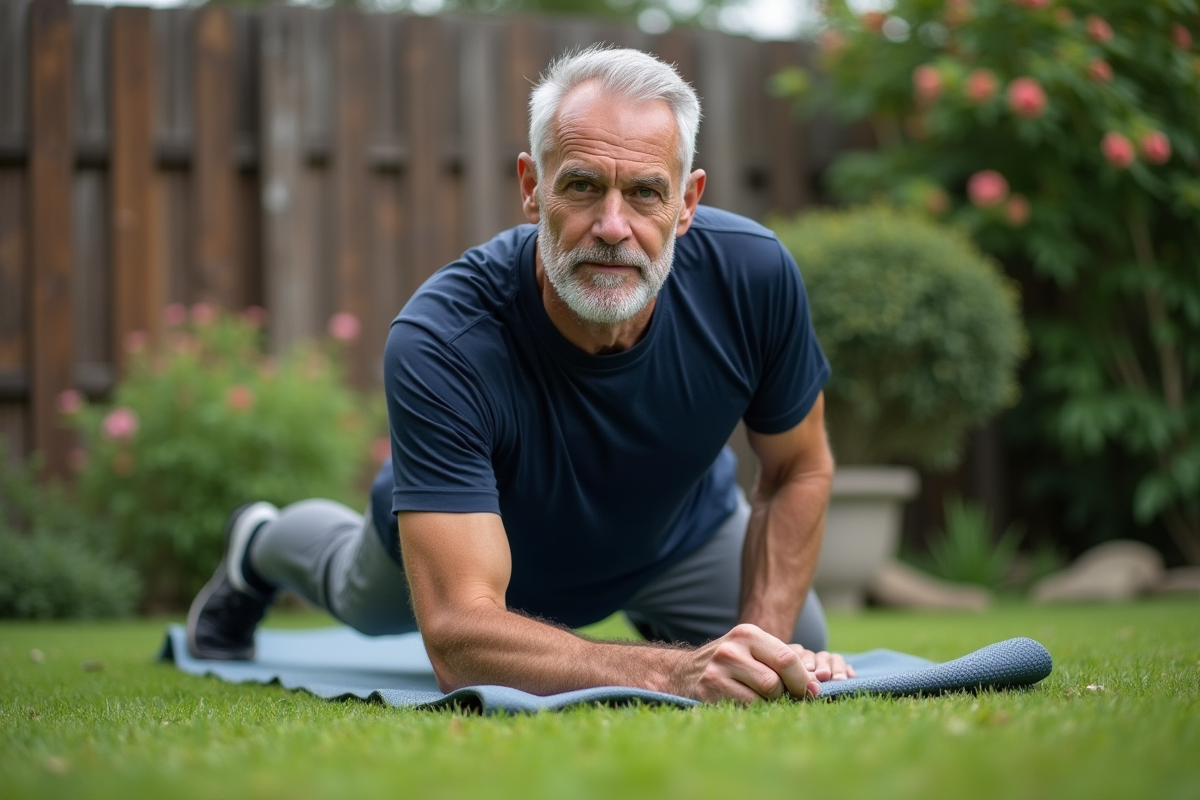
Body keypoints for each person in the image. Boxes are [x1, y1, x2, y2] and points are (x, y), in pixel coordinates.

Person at [188, 45, 855, 704]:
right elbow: (459, 641)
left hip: (675, 536)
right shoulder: (443, 338)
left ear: (686, 202)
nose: (613, 227)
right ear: (533, 188)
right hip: (472, 554)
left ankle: (668, 626)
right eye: (583, 186)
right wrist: (674, 673)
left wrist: (760, 649)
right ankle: (260, 544)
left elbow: (798, 467)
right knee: (352, 593)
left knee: (801, 636)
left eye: (646, 192)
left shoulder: (753, 276)